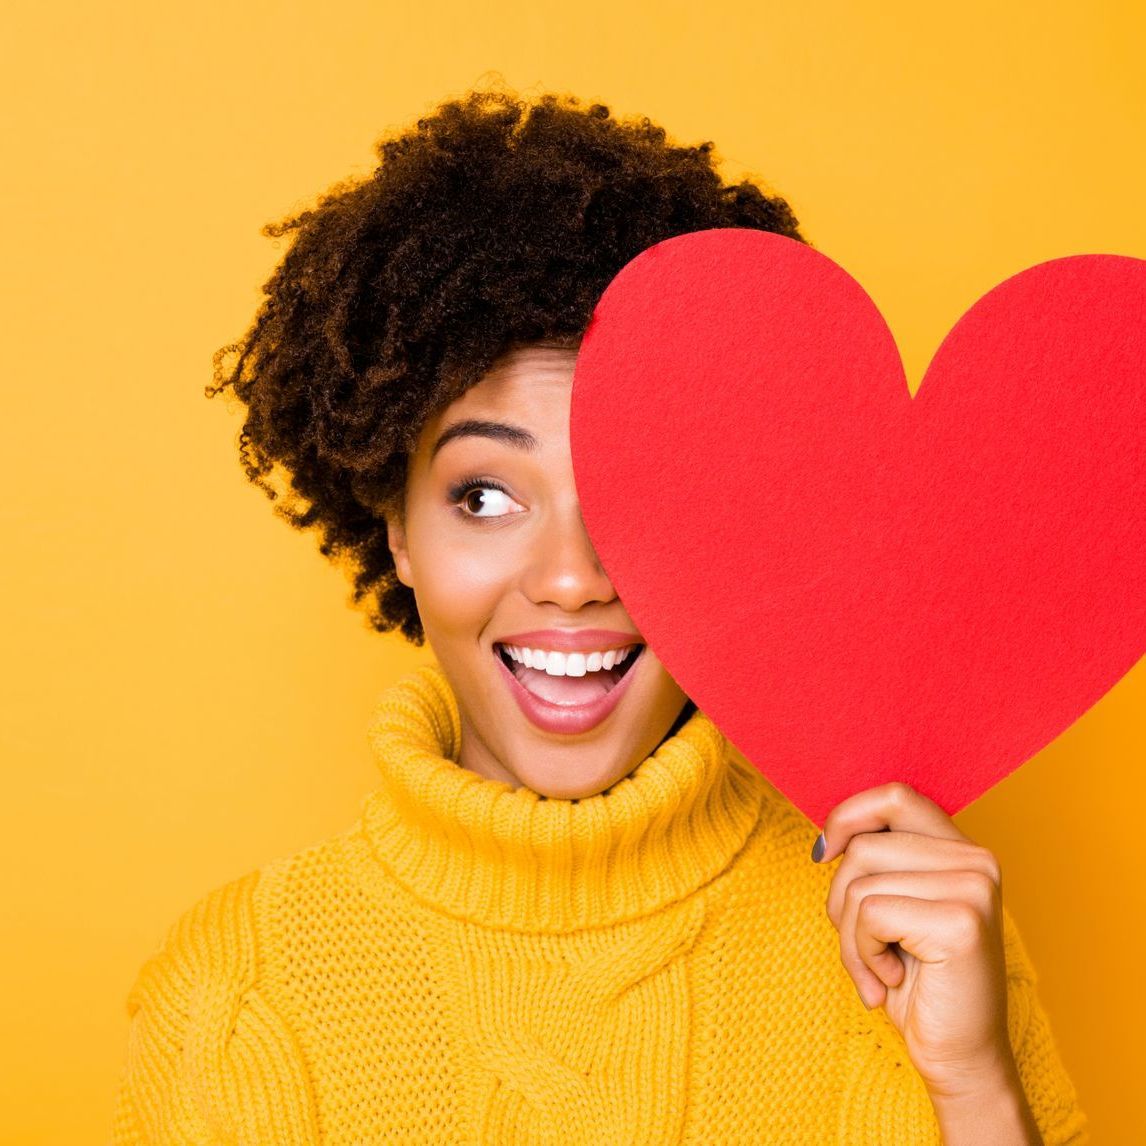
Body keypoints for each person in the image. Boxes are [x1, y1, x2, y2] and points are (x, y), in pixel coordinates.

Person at [110, 89, 1090, 1144]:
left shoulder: (914, 931)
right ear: (392, 527)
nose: (572, 578)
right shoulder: (236, 994)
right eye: (484, 495)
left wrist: (974, 1085)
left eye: (638, 497)